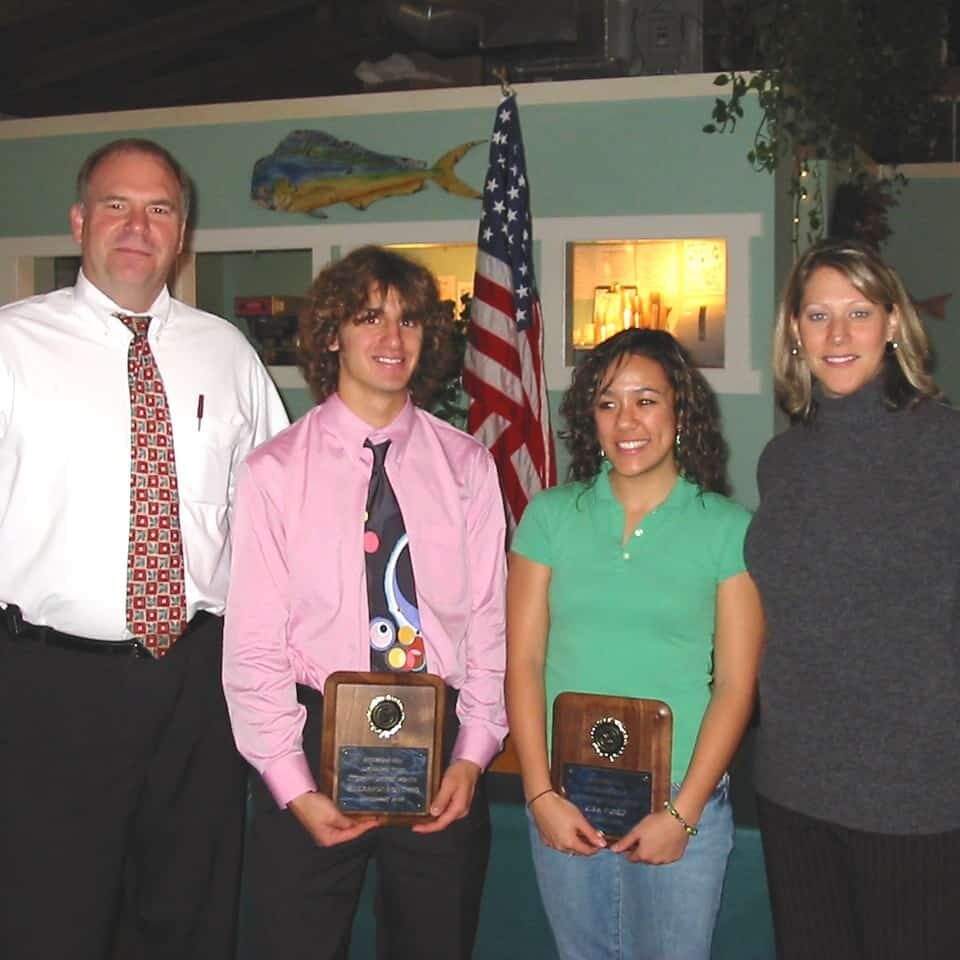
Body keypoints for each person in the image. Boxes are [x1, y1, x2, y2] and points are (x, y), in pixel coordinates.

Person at [0, 138, 288, 960]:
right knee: (46, 914)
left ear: (182, 231)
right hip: (47, 683)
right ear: (80, 221)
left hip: (198, 682)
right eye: (117, 205)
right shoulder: (10, 346)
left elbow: (279, 513)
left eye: (159, 208)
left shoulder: (226, 353)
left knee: (188, 911)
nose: (137, 225)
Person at [223, 245, 507, 960]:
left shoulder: (468, 467)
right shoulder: (274, 474)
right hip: (311, 736)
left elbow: (489, 626)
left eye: (409, 320)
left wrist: (471, 757)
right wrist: (292, 785)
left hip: (438, 742)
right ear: (330, 334)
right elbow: (253, 644)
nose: (392, 339)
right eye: (369, 317)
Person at [507, 327, 764, 960]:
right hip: (566, 799)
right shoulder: (548, 517)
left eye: (646, 400)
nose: (627, 420)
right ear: (589, 415)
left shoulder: (729, 530)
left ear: (680, 410)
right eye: (607, 401)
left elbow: (735, 685)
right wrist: (539, 795)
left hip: (682, 801)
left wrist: (684, 814)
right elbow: (522, 662)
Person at [744, 238, 960, 959]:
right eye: (817, 315)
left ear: (894, 323)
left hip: (913, 791)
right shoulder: (783, 461)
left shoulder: (945, 446)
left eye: (858, 313)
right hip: (793, 781)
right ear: (795, 332)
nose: (837, 336)